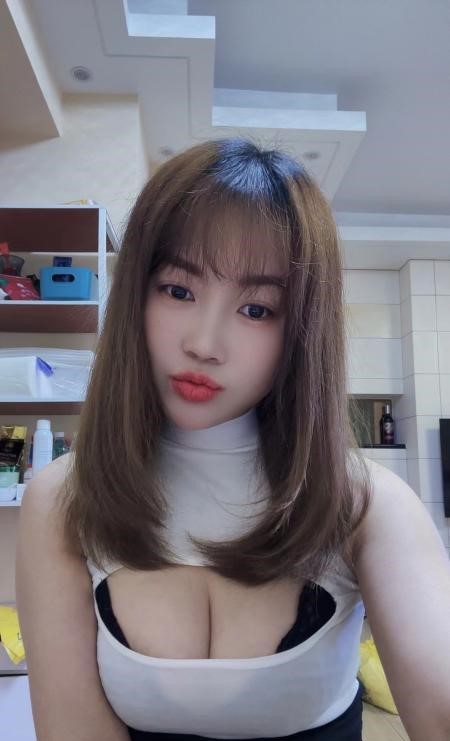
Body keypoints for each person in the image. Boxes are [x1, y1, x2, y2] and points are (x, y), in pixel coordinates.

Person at [16, 138, 450, 741]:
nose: (204, 343)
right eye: (178, 290)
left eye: (257, 310)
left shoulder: (366, 503)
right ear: (137, 294)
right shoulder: (63, 499)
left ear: (301, 330)